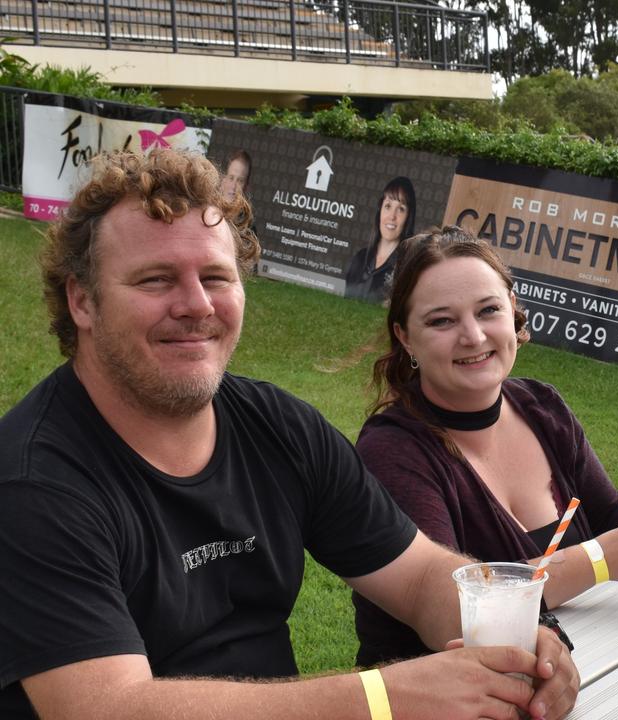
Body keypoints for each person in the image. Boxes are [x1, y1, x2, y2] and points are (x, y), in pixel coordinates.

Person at [0, 150, 578, 720]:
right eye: (155, 280)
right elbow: (108, 709)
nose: (197, 305)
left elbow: (421, 575)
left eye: (216, 277)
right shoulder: (34, 483)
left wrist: (523, 635)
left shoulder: (278, 427)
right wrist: (384, 698)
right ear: (82, 301)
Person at [351, 226, 618, 667]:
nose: (473, 336)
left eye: (488, 310)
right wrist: (600, 559)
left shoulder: (541, 406)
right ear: (405, 336)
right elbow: (458, 604)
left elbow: (606, 515)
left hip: (581, 668)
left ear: (513, 310)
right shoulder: (393, 452)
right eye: (442, 320)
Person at [345, 176, 416, 303]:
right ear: (380, 211)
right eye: (388, 206)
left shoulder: (407, 270)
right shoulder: (359, 259)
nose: (392, 216)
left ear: (408, 218)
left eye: (401, 209)